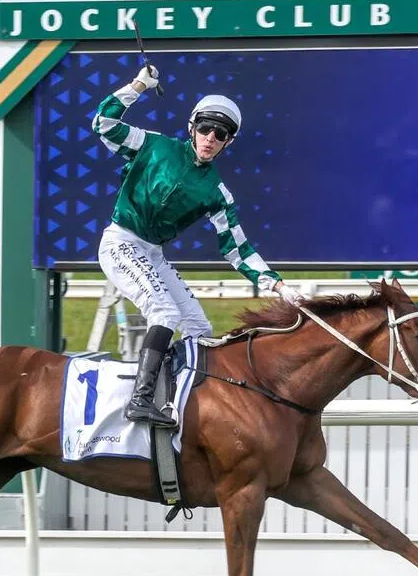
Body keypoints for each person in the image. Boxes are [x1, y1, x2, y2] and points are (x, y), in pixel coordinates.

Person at [91, 64, 302, 428]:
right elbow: (103, 123)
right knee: (164, 313)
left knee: (199, 328)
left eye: (220, 134)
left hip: (152, 254)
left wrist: (279, 286)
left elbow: (238, 250)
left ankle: (184, 402)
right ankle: (140, 400)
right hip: (120, 242)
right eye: (205, 128)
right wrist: (138, 85)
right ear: (192, 127)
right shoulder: (152, 144)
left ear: (228, 142)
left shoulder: (217, 192)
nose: (210, 138)